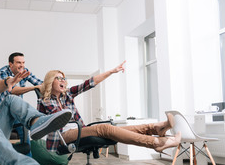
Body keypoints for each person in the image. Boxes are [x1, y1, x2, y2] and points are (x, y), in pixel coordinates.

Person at [37, 62, 181, 153]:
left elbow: (89, 83)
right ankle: (156, 142)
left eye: (64, 78)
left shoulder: (67, 95)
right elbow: (38, 124)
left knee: (117, 129)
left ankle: (155, 127)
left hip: (79, 130)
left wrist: (111, 72)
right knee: (104, 129)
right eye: (59, 78)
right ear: (51, 81)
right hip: (63, 136)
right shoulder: (44, 101)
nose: (63, 81)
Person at [0, 52, 43, 146]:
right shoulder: (3, 72)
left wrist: (53, 82)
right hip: (1, 112)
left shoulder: (24, 71)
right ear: (11, 64)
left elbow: (39, 83)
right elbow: (12, 91)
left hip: (15, 111)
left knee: (26, 136)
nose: (22, 65)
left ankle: (28, 159)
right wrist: (33, 88)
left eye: (23, 62)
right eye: (19, 62)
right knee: (1, 142)